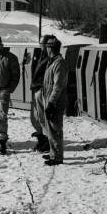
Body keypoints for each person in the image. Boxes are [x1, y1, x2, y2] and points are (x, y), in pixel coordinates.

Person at [41, 36, 67, 166]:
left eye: (46, 46)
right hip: (49, 99)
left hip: (55, 101)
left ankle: (57, 157)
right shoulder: (52, 61)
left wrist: (51, 103)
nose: (45, 49)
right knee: (50, 128)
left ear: (50, 48)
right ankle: (53, 152)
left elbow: (58, 86)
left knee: (55, 128)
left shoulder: (59, 63)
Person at [30, 34, 52, 152]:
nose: (41, 46)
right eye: (40, 44)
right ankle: (42, 139)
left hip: (42, 90)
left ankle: (47, 142)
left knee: (43, 117)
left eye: (42, 44)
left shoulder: (50, 58)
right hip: (36, 89)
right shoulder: (39, 55)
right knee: (36, 117)